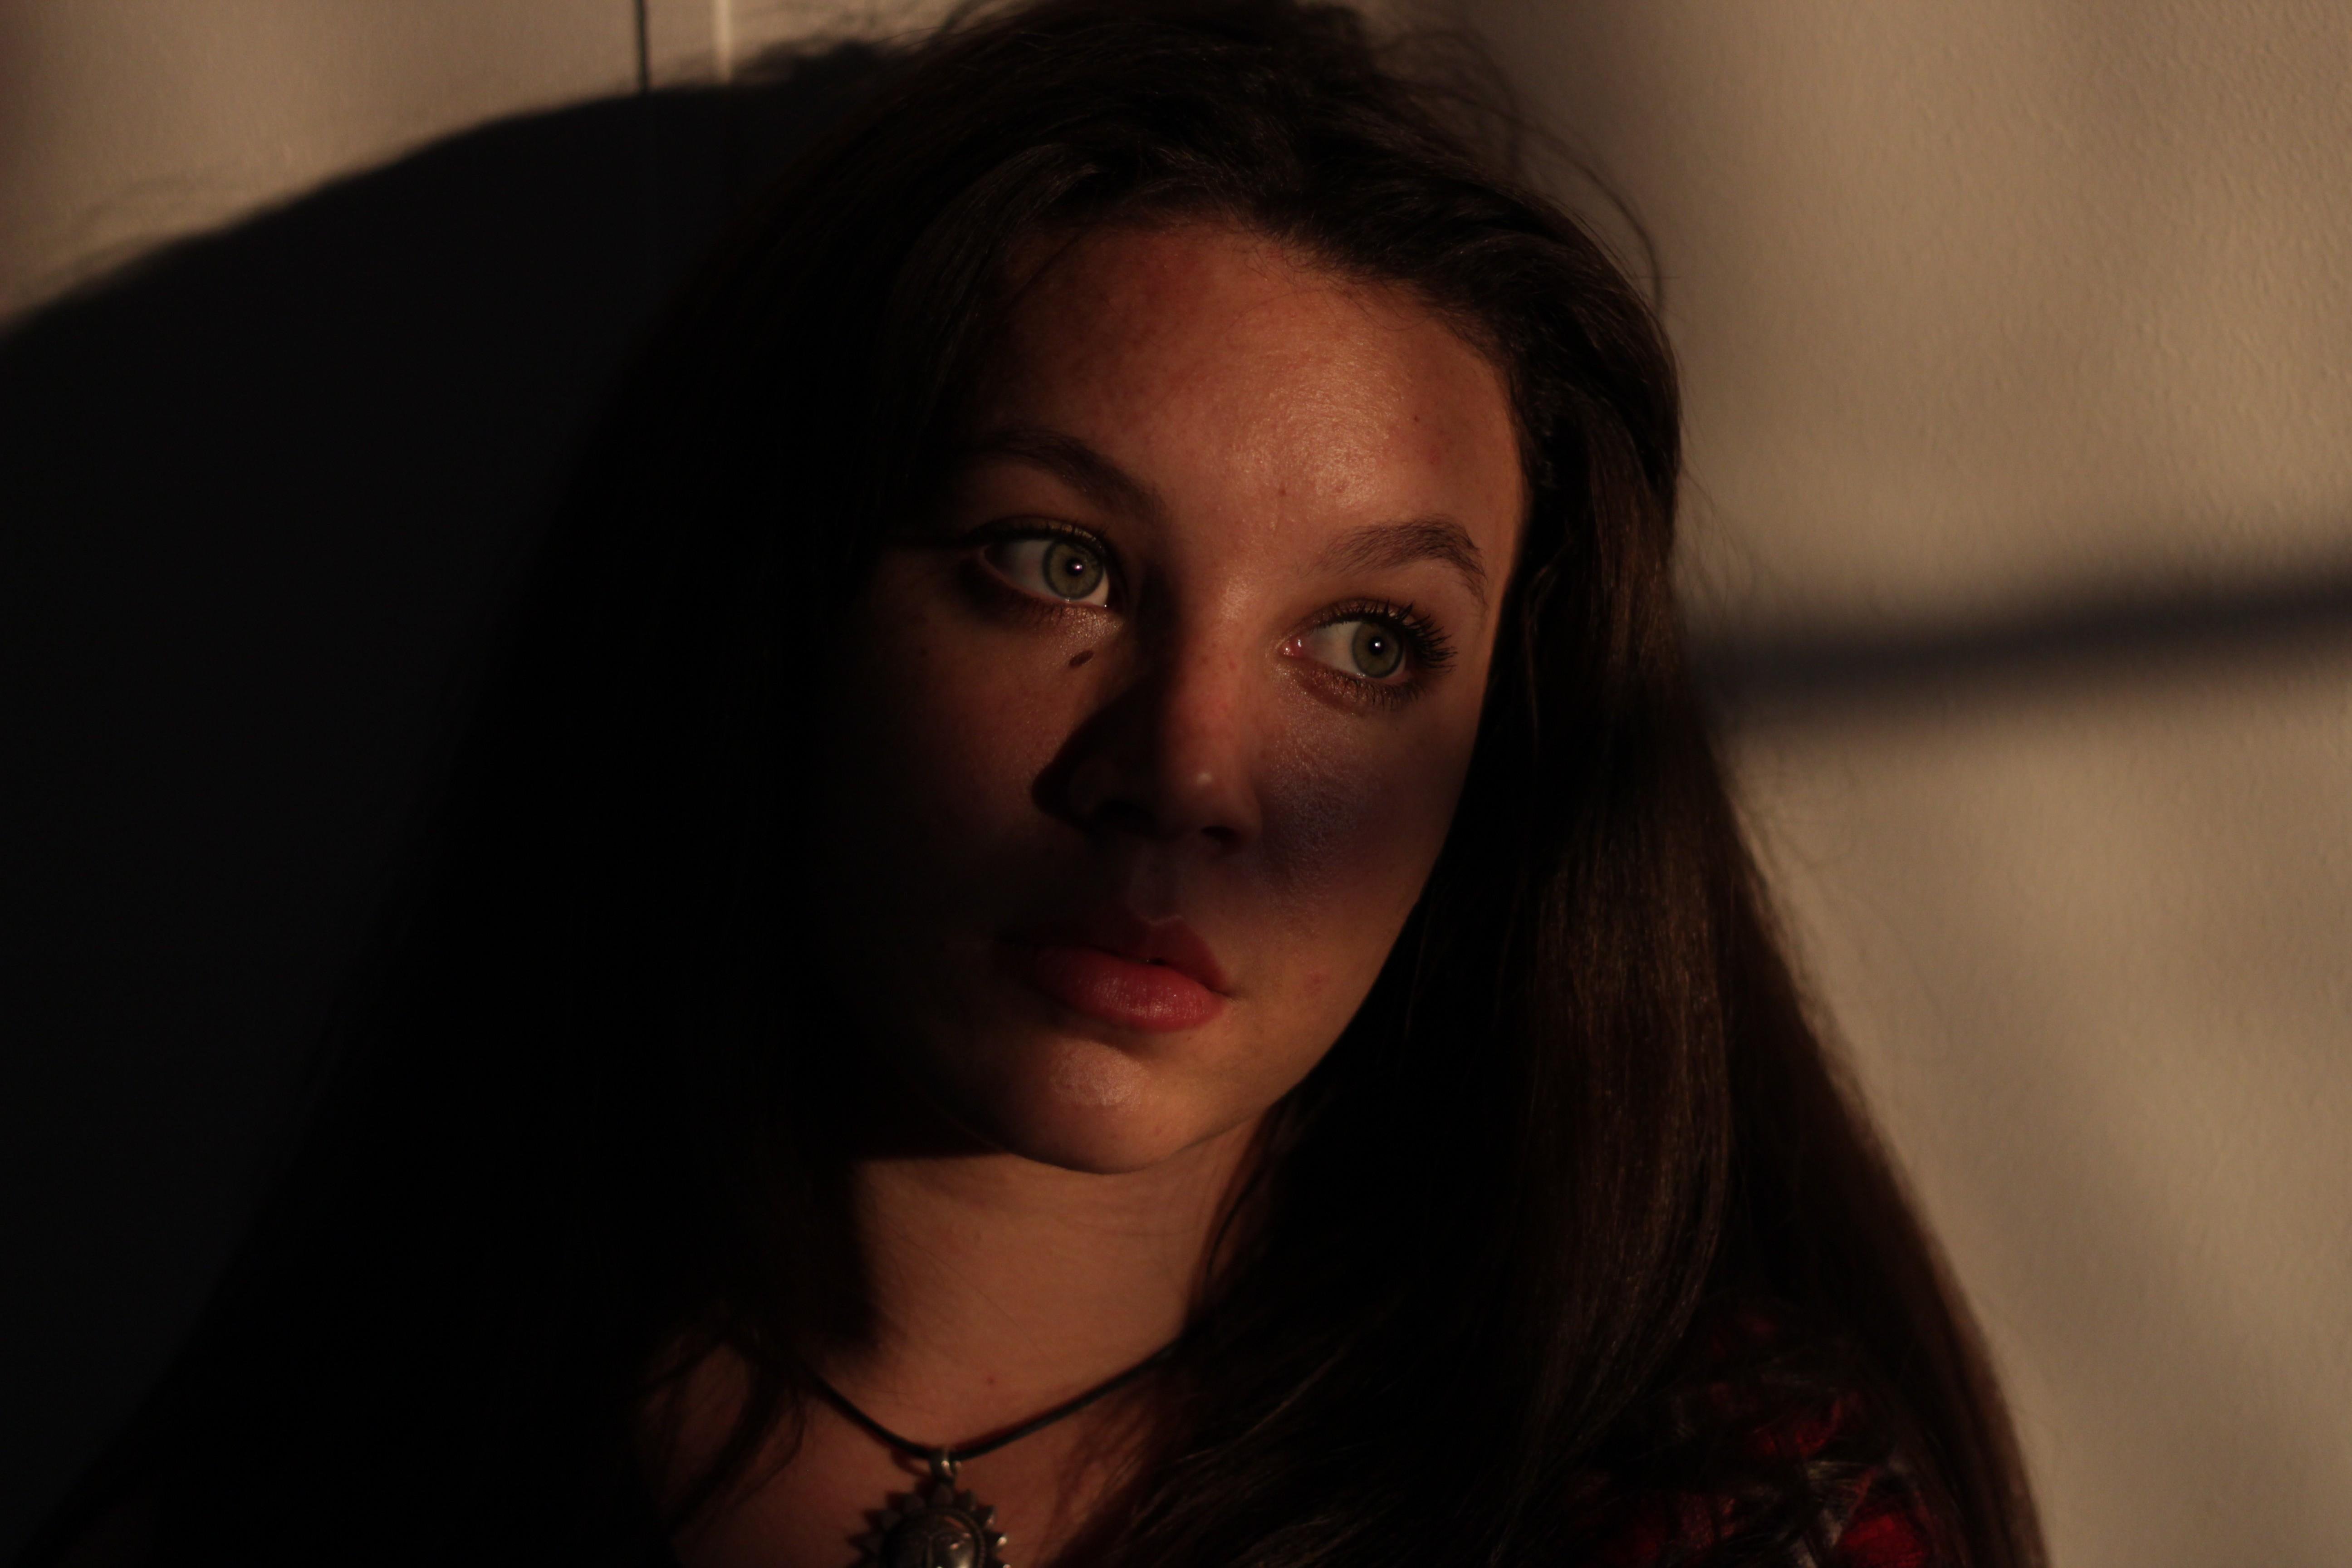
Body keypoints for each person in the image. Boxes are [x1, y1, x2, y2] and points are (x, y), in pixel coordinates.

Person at [24, 1, 2043, 1564]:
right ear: (779, 603)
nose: (1184, 776)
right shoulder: (337, 1485)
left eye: (1367, 644)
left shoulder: (1718, 1512)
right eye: (1055, 563)